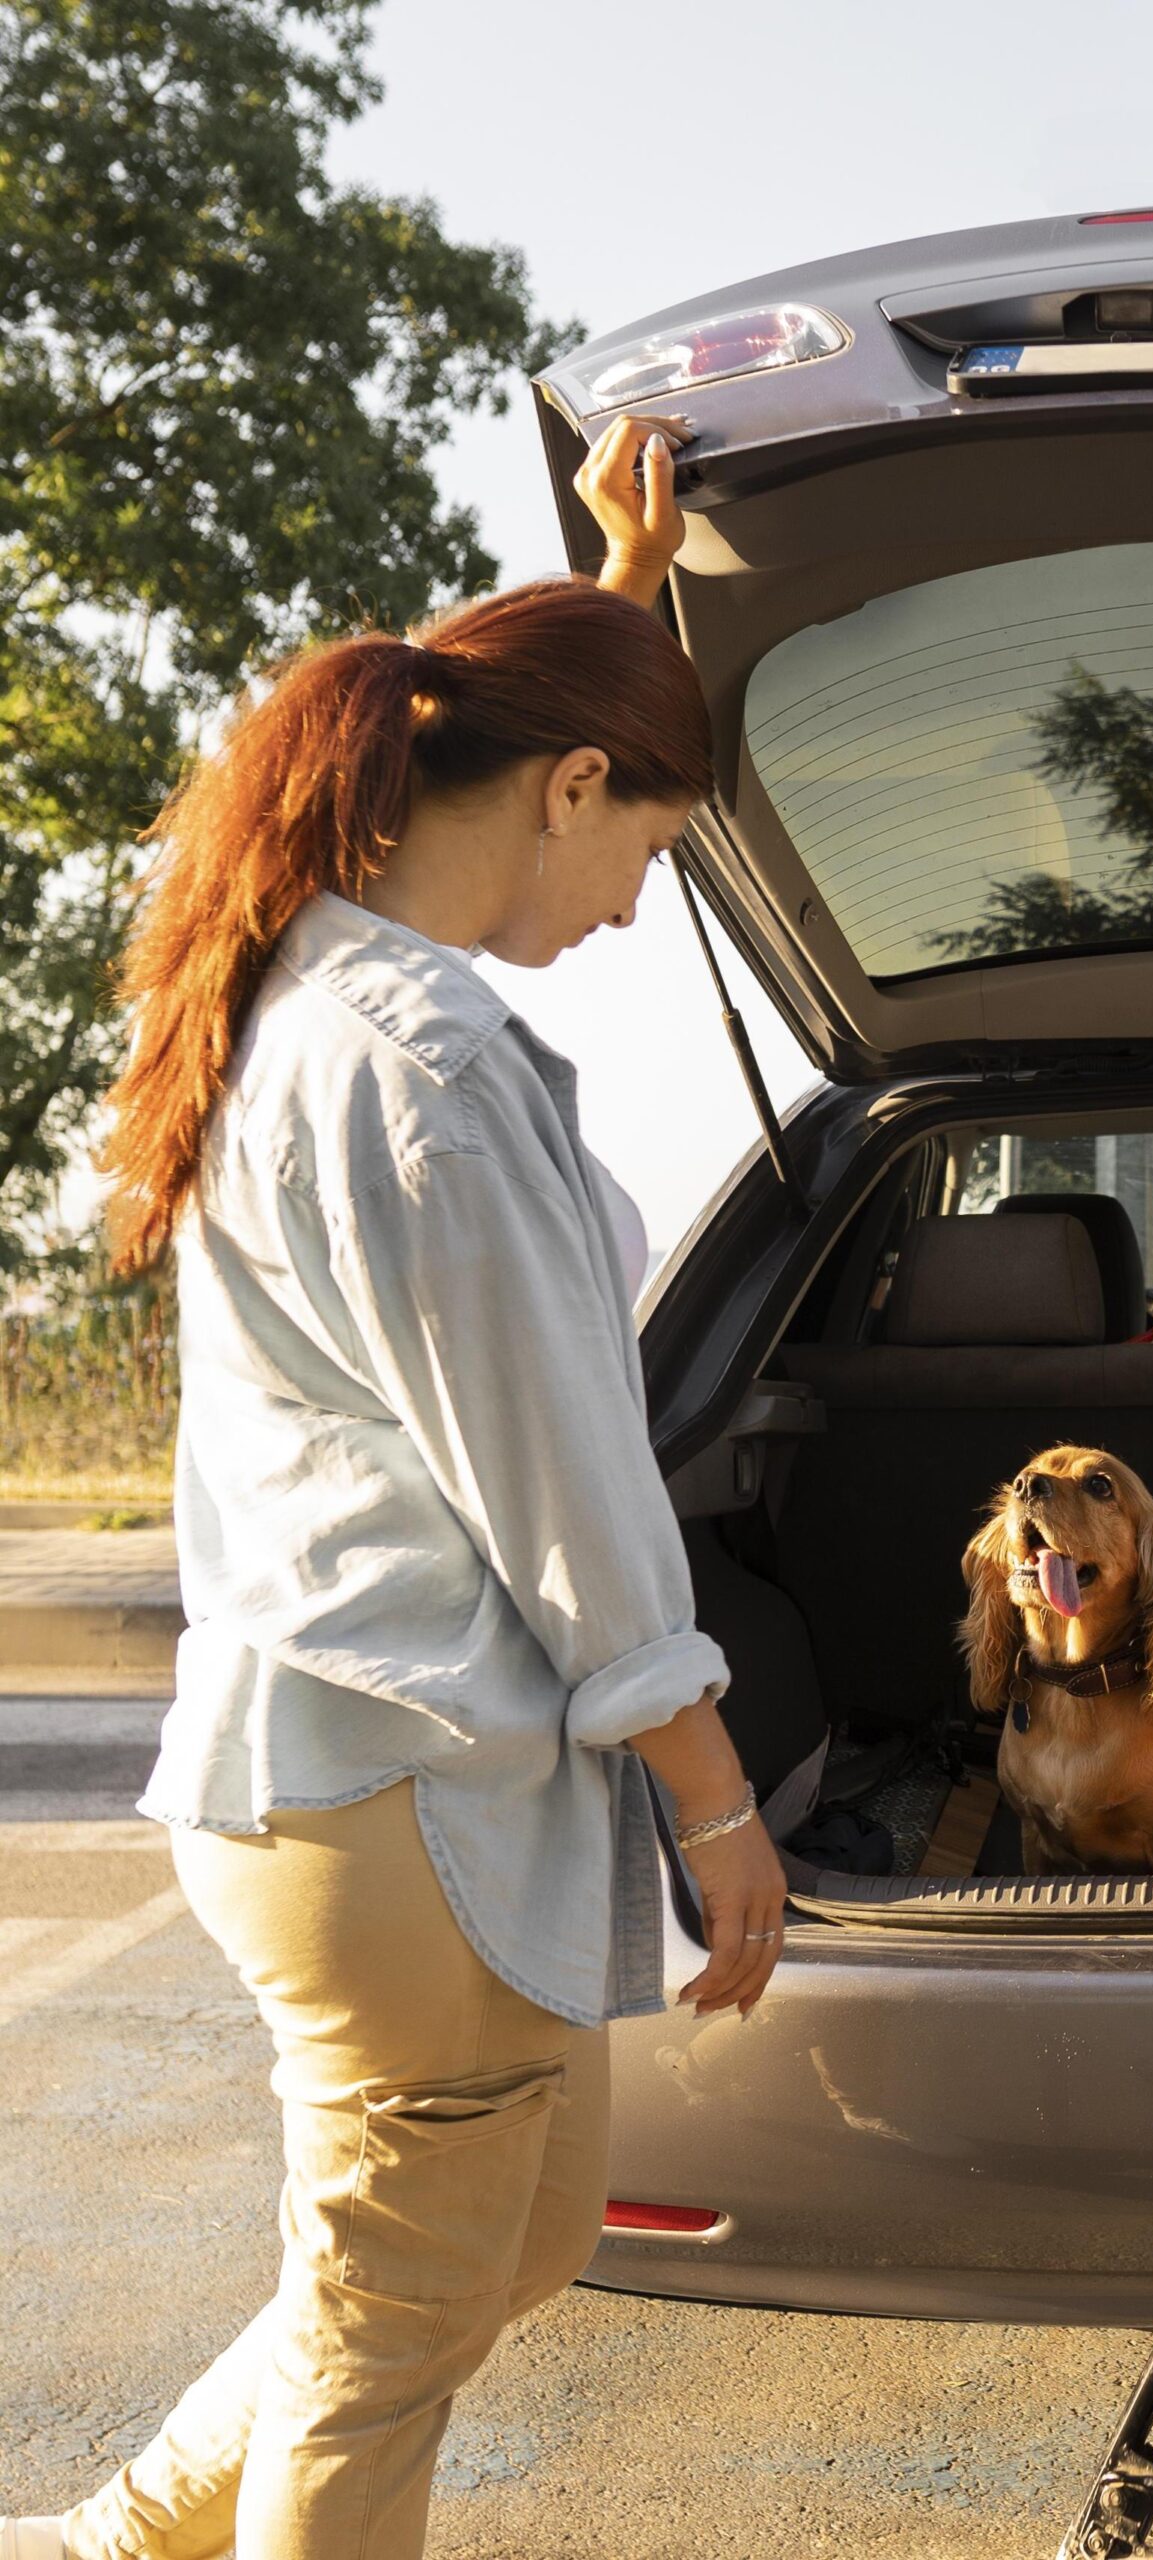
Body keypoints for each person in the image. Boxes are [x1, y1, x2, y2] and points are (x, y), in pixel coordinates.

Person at [3, 422, 762, 2560]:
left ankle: (122, 2532)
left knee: (491, 2253)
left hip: (377, 1775)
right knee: (389, 2336)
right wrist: (713, 1793)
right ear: (569, 784)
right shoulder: (416, 1057)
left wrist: (613, 589)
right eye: (645, 853)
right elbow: (565, 1484)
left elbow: (502, 723)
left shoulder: (330, 978)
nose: (627, 914)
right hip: (387, 1791)